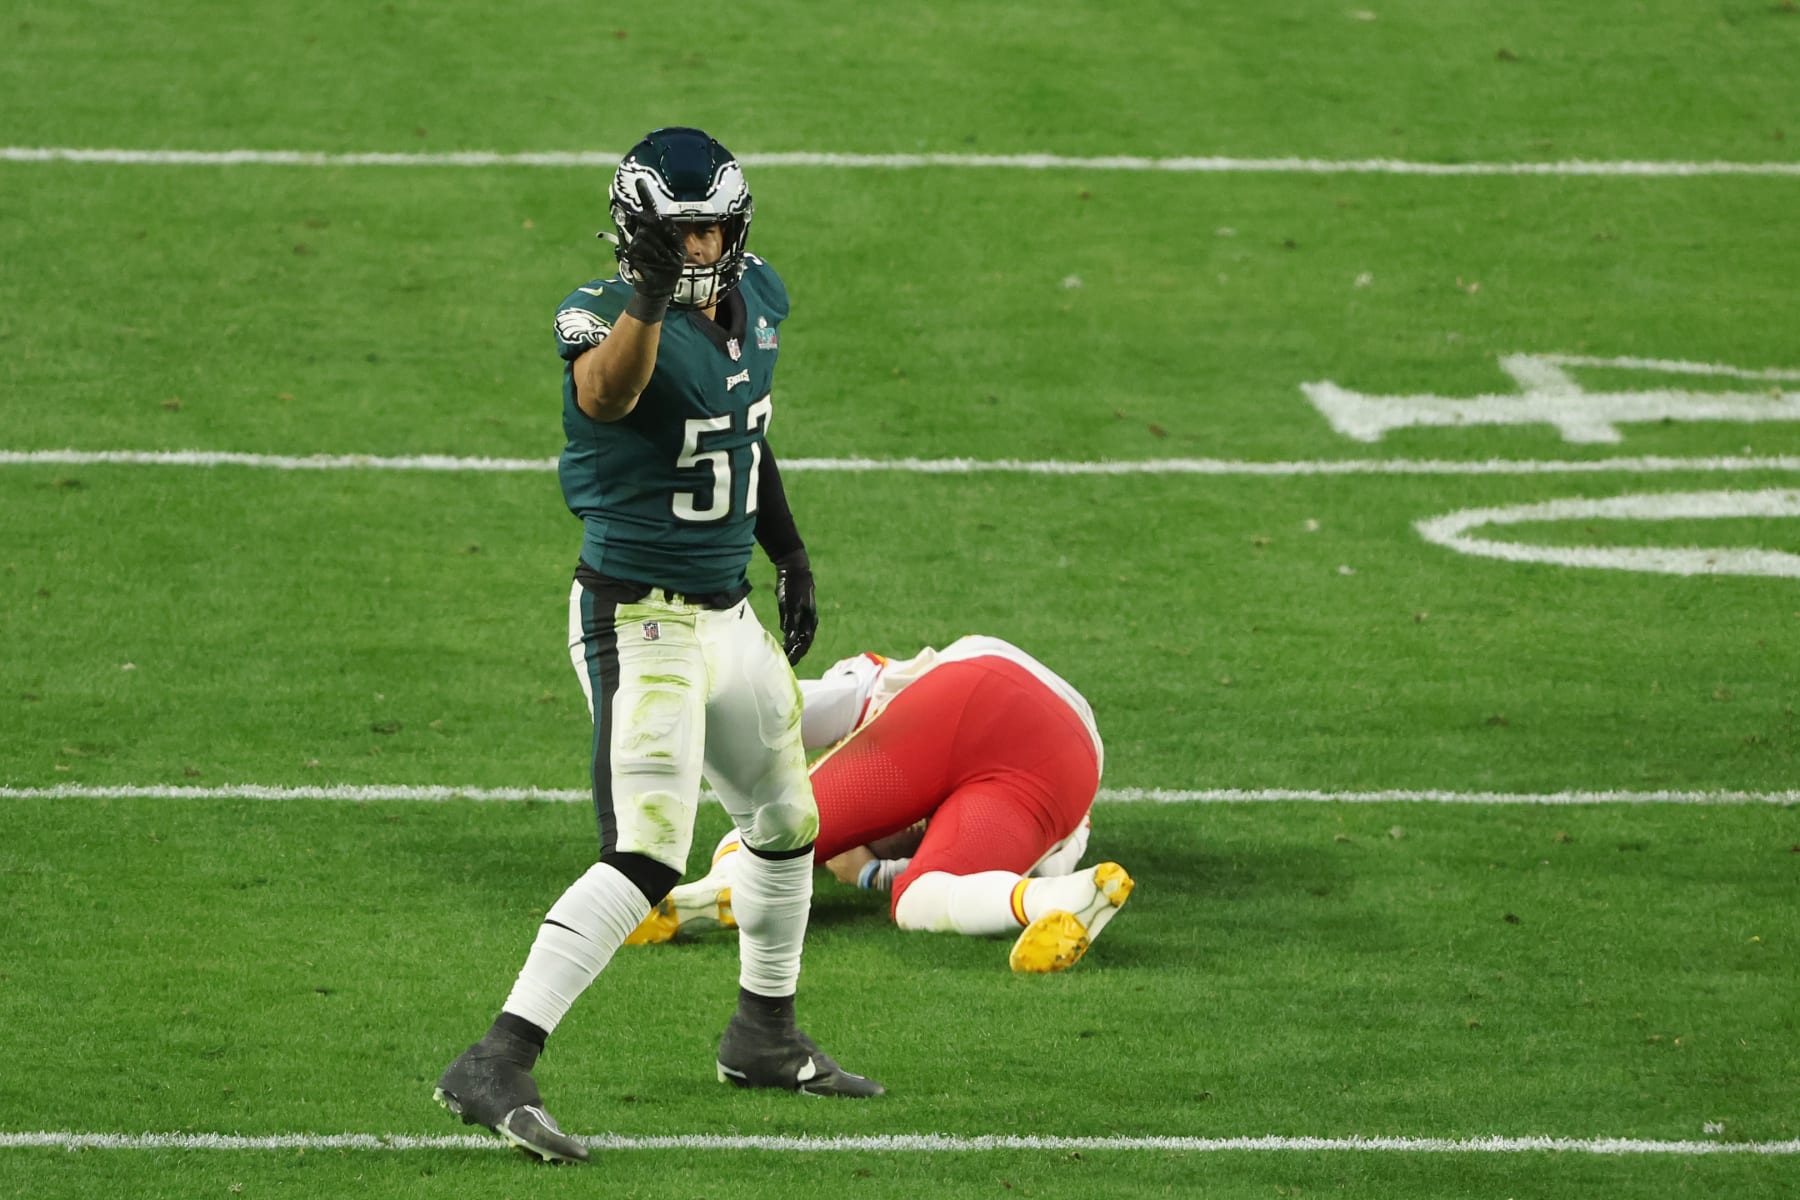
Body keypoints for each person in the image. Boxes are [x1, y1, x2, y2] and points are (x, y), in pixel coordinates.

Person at [435, 127, 881, 1167]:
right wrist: (644, 296)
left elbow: (744, 431)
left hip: (727, 612)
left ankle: (763, 1037)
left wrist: (792, 552)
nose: (704, 248)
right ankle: (497, 1058)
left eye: (716, 227)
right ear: (639, 235)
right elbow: (609, 394)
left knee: (785, 822)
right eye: (682, 233)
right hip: (641, 617)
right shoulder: (601, 311)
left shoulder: (758, 295)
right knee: (645, 854)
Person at [627, 637, 1134, 974]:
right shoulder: (1067, 822)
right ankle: (1063, 903)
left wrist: (871, 873)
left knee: (782, 825)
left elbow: (790, 714)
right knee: (920, 898)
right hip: (1068, 758)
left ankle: (720, 886)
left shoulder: (880, 685)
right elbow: (1049, 862)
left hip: (974, 692)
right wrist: (882, 873)